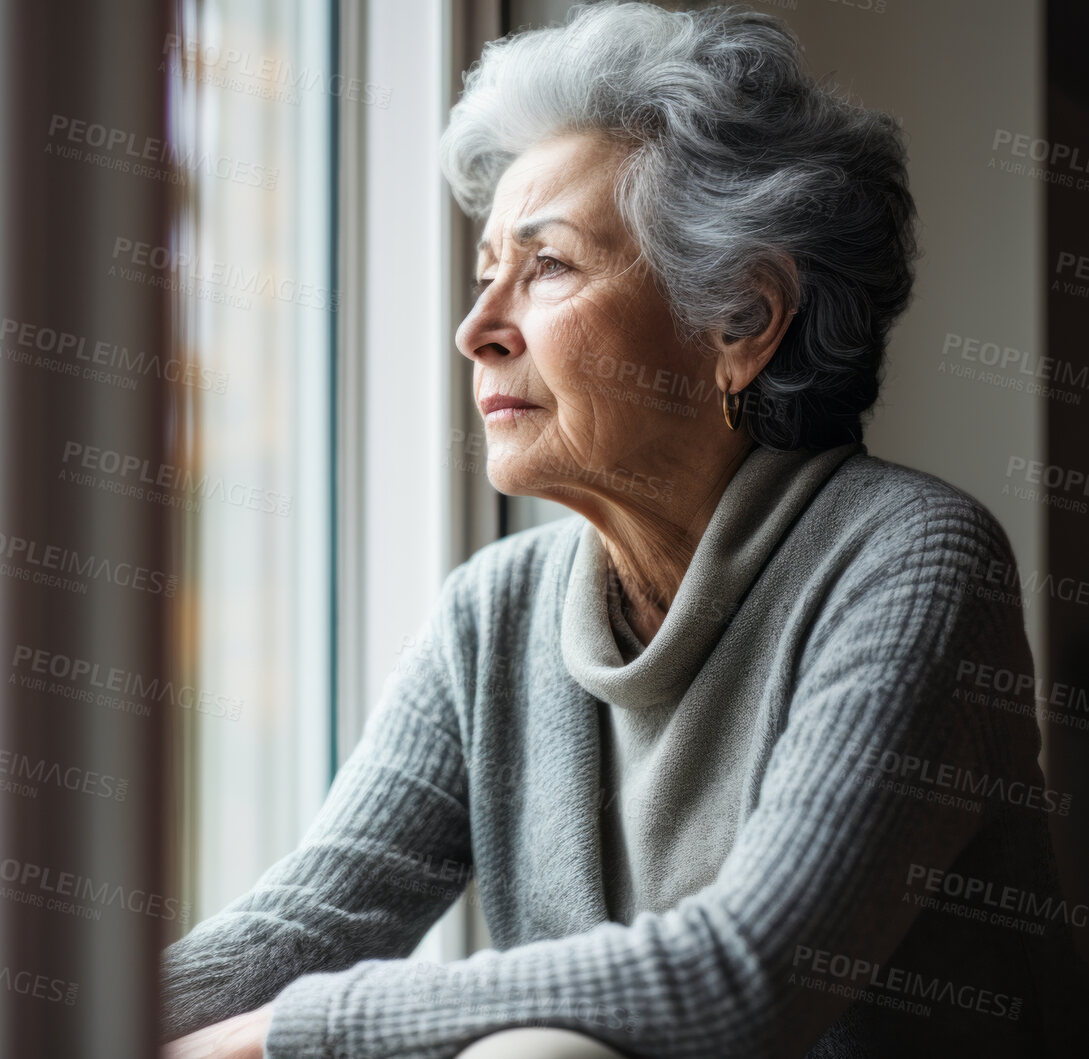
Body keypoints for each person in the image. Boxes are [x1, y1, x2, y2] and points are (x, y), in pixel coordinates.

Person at [159, 3, 1084, 1056]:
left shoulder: (909, 560)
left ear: (737, 320)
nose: (476, 329)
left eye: (544, 266)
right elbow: (308, 922)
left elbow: (740, 979)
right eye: (481, 275)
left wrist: (284, 1035)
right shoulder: (492, 612)